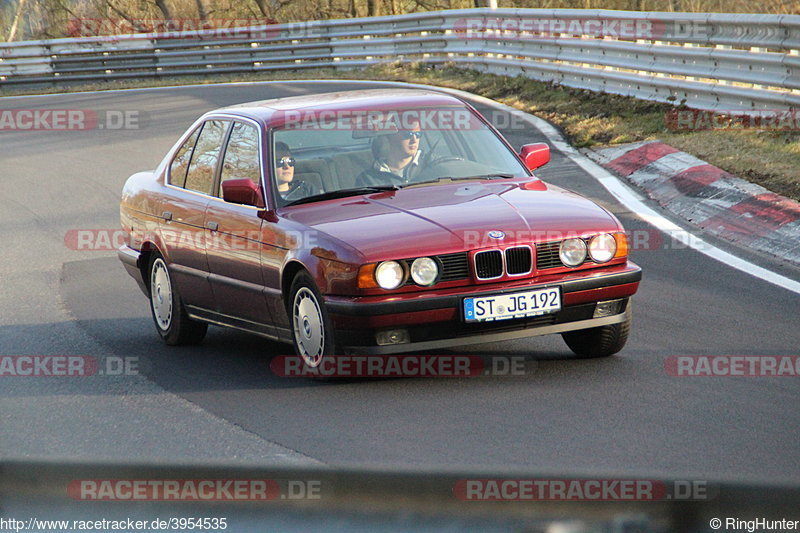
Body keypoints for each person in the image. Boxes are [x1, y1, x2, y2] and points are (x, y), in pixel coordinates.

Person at [356, 123, 423, 187]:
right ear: (390, 137)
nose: (414, 140)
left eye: (418, 134)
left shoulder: (429, 167)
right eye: (408, 134)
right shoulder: (367, 180)